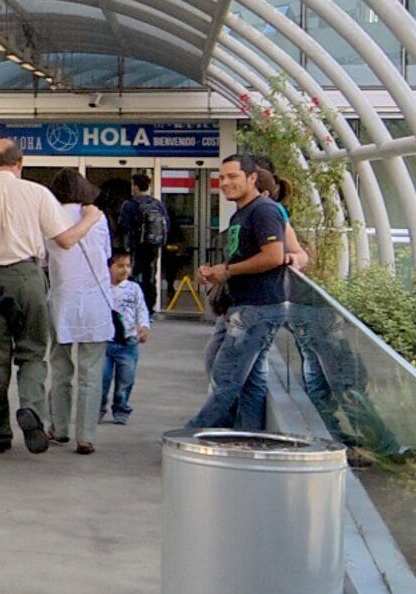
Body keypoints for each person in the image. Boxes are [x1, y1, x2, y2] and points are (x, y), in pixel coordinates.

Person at [0, 140, 89, 454]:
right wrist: (90, 219)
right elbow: (64, 240)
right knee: (32, 351)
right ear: (19, 162)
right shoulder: (37, 193)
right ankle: (32, 408)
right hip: (28, 277)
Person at [186, 155, 300, 434]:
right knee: (251, 381)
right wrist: (218, 272)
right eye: (222, 177)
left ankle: (192, 436)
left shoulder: (264, 211)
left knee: (225, 377)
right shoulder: (242, 212)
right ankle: (246, 437)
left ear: (252, 178)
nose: (225, 182)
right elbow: (243, 257)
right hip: (244, 307)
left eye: (232, 176)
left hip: (257, 308)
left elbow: (273, 256)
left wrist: (227, 271)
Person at [44, 174, 132, 456]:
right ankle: (86, 436)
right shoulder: (98, 217)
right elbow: (105, 255)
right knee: (91, 373)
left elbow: (46, 259)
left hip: (62, 300)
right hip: (95, 302)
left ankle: (59, 428)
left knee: (60, 369)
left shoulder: (50, 216)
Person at [110, 170, 169, 312]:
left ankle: (131, 305)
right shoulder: (157, 204)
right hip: (153, 246)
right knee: (150, 276)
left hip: (135, 246)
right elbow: (167, 224)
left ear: (135, 187)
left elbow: (122, 226)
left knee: (131, 273)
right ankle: (149, 307)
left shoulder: (130, 204)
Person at [102, 263, 152, 426]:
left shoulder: (134, 288)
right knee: (102, 378)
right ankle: (97, 409)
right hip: (106, 342)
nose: (125, 270)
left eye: (129, 266)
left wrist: (144, 326)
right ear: (109, 267)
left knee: (125, 379)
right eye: (120, 266)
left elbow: (142, 309)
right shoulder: (102, 286)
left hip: (128, 342)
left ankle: (121, 409)